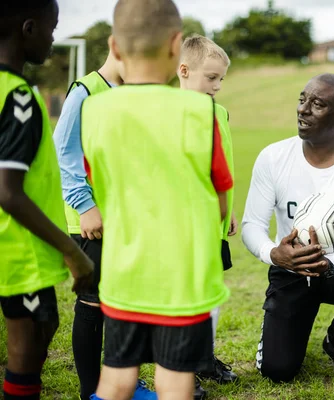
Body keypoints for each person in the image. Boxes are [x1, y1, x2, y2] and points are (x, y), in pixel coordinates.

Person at [82, 0, 232, 399]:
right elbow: (220, 197)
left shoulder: (94, 111)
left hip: (123, 272)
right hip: (183, 277)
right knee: (173, 379)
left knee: (115, 378)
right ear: (175, 45)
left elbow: (99, 182)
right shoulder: (201, 112)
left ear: (114, 47)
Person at [242, 73, 334, 385]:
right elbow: (251, 226)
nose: (303, 109)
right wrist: (274, 254)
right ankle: (275, 339)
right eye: (302, 99)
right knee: (278, 371)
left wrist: (330, 263)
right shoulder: (273, 157)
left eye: (318, 104)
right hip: (290, 269)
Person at [0, 1, 94, 398]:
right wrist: (72, 251)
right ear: (28, 28)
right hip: (20, 253)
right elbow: (8, 191)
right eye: (52, 28)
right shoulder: (18, 98)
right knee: (29, 340)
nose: (54, 37)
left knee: (45, 324)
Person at [53, 50, 157, 399]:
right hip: (92, 222)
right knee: (93, 303)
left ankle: (122, 384)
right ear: (118, 46)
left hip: (128, 220)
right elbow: (64, 152)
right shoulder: (85, 90)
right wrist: (85, 207)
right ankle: (91, 391)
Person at [178, 34, 238, 399]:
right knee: (188, 299)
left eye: (220, 80)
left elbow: (224, 165)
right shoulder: (171, 114)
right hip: (186, 228)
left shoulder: (219, 112)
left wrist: (227, 211)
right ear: (184, 71)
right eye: (210, 78)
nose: (216, 87)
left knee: (211, 297)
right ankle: (183, 370)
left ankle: (203, 358)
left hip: (213, 223)